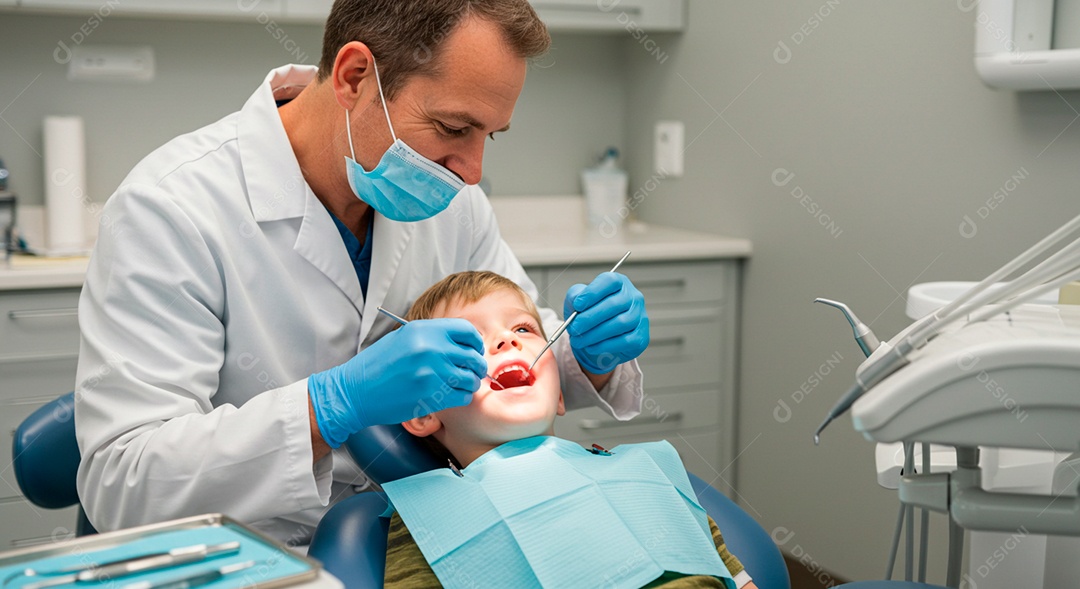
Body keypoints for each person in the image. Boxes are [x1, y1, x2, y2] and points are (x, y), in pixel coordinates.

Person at [74, 0, 650, 545]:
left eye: (489, 134)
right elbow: (122, 482)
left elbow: (517, 347)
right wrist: (329, 407)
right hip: (256, 554)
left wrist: (586, 356)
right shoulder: (170, 208)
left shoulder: (451, 199)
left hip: (429, 537)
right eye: (453, 128)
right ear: (354, 77)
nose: (471, 172)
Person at [382, 271, 756, 589]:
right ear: (423, 411)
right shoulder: (426, 518)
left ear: (561, 392)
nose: (506, 340)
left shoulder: (646, 472)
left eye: (523, 328)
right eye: (469, 341)